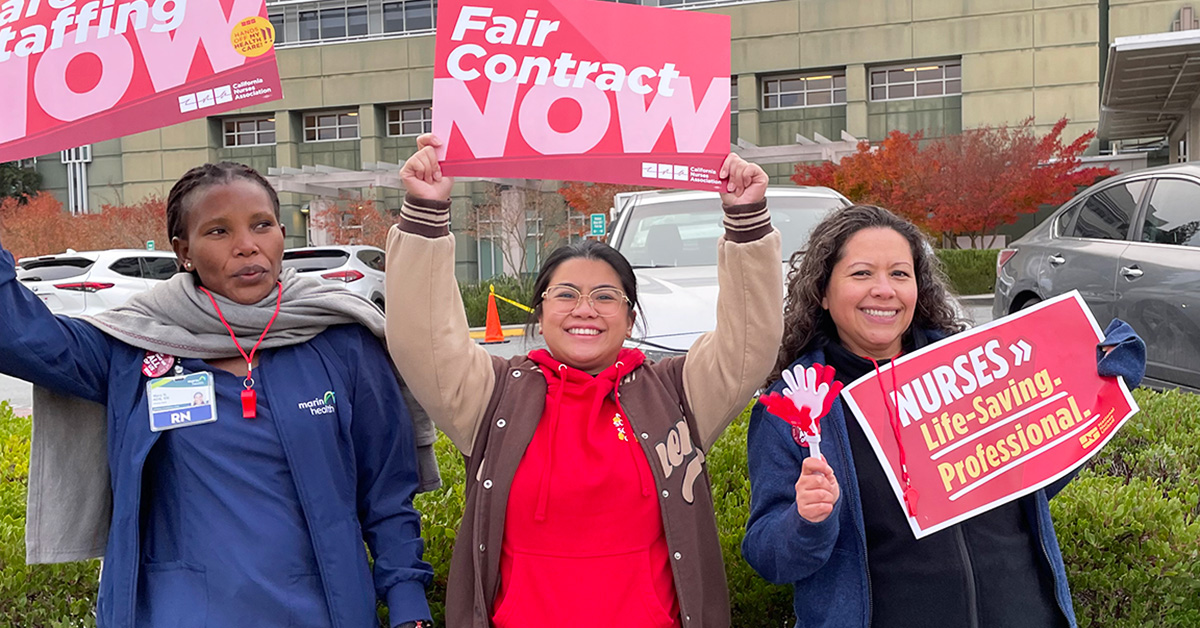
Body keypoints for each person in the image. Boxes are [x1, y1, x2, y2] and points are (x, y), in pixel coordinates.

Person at [7, 162, 435, 628]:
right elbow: (22, 337)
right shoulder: (134, 346)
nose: (246, 245)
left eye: (261, 225)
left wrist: (408, 604)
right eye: (218, 231)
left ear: (282, 234)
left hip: (326, 610)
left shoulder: (340, 341)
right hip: (176, 612)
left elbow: (387, 494)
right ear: (183, 251)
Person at [386, 135, 782, 628]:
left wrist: (745, 221)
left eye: (605, 296)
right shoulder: (493, 395)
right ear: (541, 312)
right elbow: (420, 338)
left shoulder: (676, 394)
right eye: (566, 294)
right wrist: (426, 211)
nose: (584, 309)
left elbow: (750, 343)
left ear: (631, 317)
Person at [741, 204, 1147, 628]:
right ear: (823, 292)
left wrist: (1096, 394)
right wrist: (806, 522)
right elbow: (769, 558)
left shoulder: (978, 371)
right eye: (861, 273)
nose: (884, 290)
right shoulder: (797, 406)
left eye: (900, 274)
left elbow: (1031, 488)